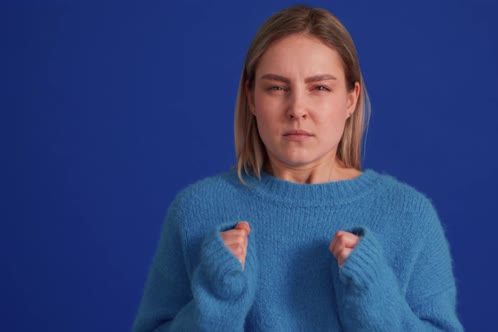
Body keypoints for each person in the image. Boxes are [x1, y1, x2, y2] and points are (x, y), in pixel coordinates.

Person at [133, 5, 463, 331]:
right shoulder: (197, 210)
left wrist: (376, 301)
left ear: (351, 99)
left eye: (320, 87)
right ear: (251, 97)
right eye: (276, 87)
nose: (297, 109)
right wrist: (217, 301)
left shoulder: (408, 214)